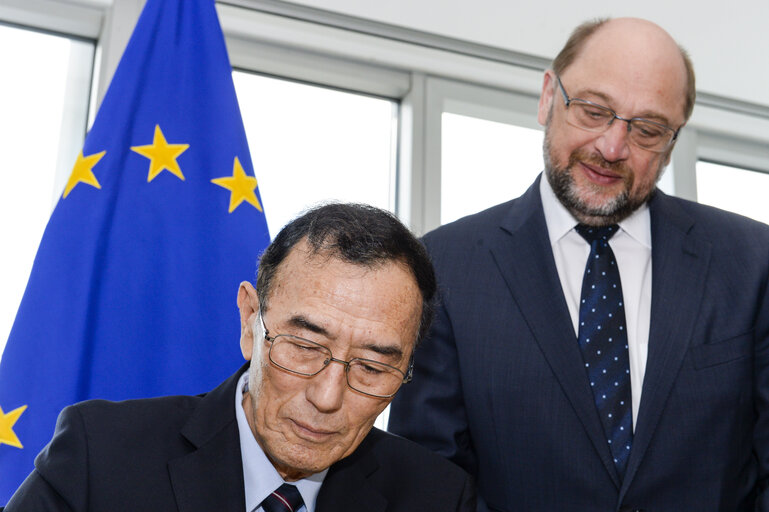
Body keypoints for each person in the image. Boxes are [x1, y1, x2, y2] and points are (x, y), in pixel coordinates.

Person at [389, 17, 769, 511]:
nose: (612, 148)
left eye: (648, 129)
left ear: (673, 142)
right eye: (594, 110)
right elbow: (431, 483)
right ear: (549, 96)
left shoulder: (752, 264)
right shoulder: (445, 268)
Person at [5, 203, 476, 511]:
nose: (328, 397)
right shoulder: (101, 455)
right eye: (306, 347)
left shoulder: (435, 497)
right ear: (251, 321)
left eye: (372, 368)